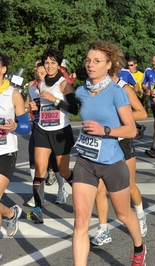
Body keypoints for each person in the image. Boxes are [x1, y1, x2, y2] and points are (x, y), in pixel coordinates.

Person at [73, 41, 146, 265]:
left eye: (96, 61)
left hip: (113, 162)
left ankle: (139, 248)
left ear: (109, 65)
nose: (90, 65)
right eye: (88, 60)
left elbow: (131, 129)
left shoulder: (117, 92)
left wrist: (105, 130)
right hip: (85, 162)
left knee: (123, 215)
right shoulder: (81, 91)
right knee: (81, 222)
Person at [91, 57, 149, 246]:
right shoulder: (95, 88)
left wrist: (117, 117)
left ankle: (140, 215)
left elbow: (142, 113)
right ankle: (103, 229)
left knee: (130, 186)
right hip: (102, 142)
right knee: (100, 188)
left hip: (122, 141)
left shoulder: (125, 88)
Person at [26, 48, 78, 224]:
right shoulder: (39, 84)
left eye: (52, 63)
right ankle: (37, 209)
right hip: (42, 129)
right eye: (46, 62)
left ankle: (81, 197)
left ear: (58, 65)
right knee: (40, 169)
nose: (49, 66)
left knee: (63, 171)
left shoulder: (64, 84)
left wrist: (54, 99)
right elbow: (45, 108)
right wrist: (36, 108)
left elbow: (74, 108)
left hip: (60, 131)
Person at [0, 53, 31, 237]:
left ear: (4, 69)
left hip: (6, 152)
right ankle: (11, 214)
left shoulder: (13, 94)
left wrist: (15, 126)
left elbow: (25, 126)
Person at [26, 62, 65, 207]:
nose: (40, 75)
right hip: (38, 128)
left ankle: (62, 189)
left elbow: (67, 107)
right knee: (33, 163)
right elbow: (33, 110)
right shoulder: (31, 90)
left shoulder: (55, 88)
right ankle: (37, 194)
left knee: (57, 164)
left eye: (43, 73)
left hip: (55, 129)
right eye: (38, 73)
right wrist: (33, 109)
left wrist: (50, 100)